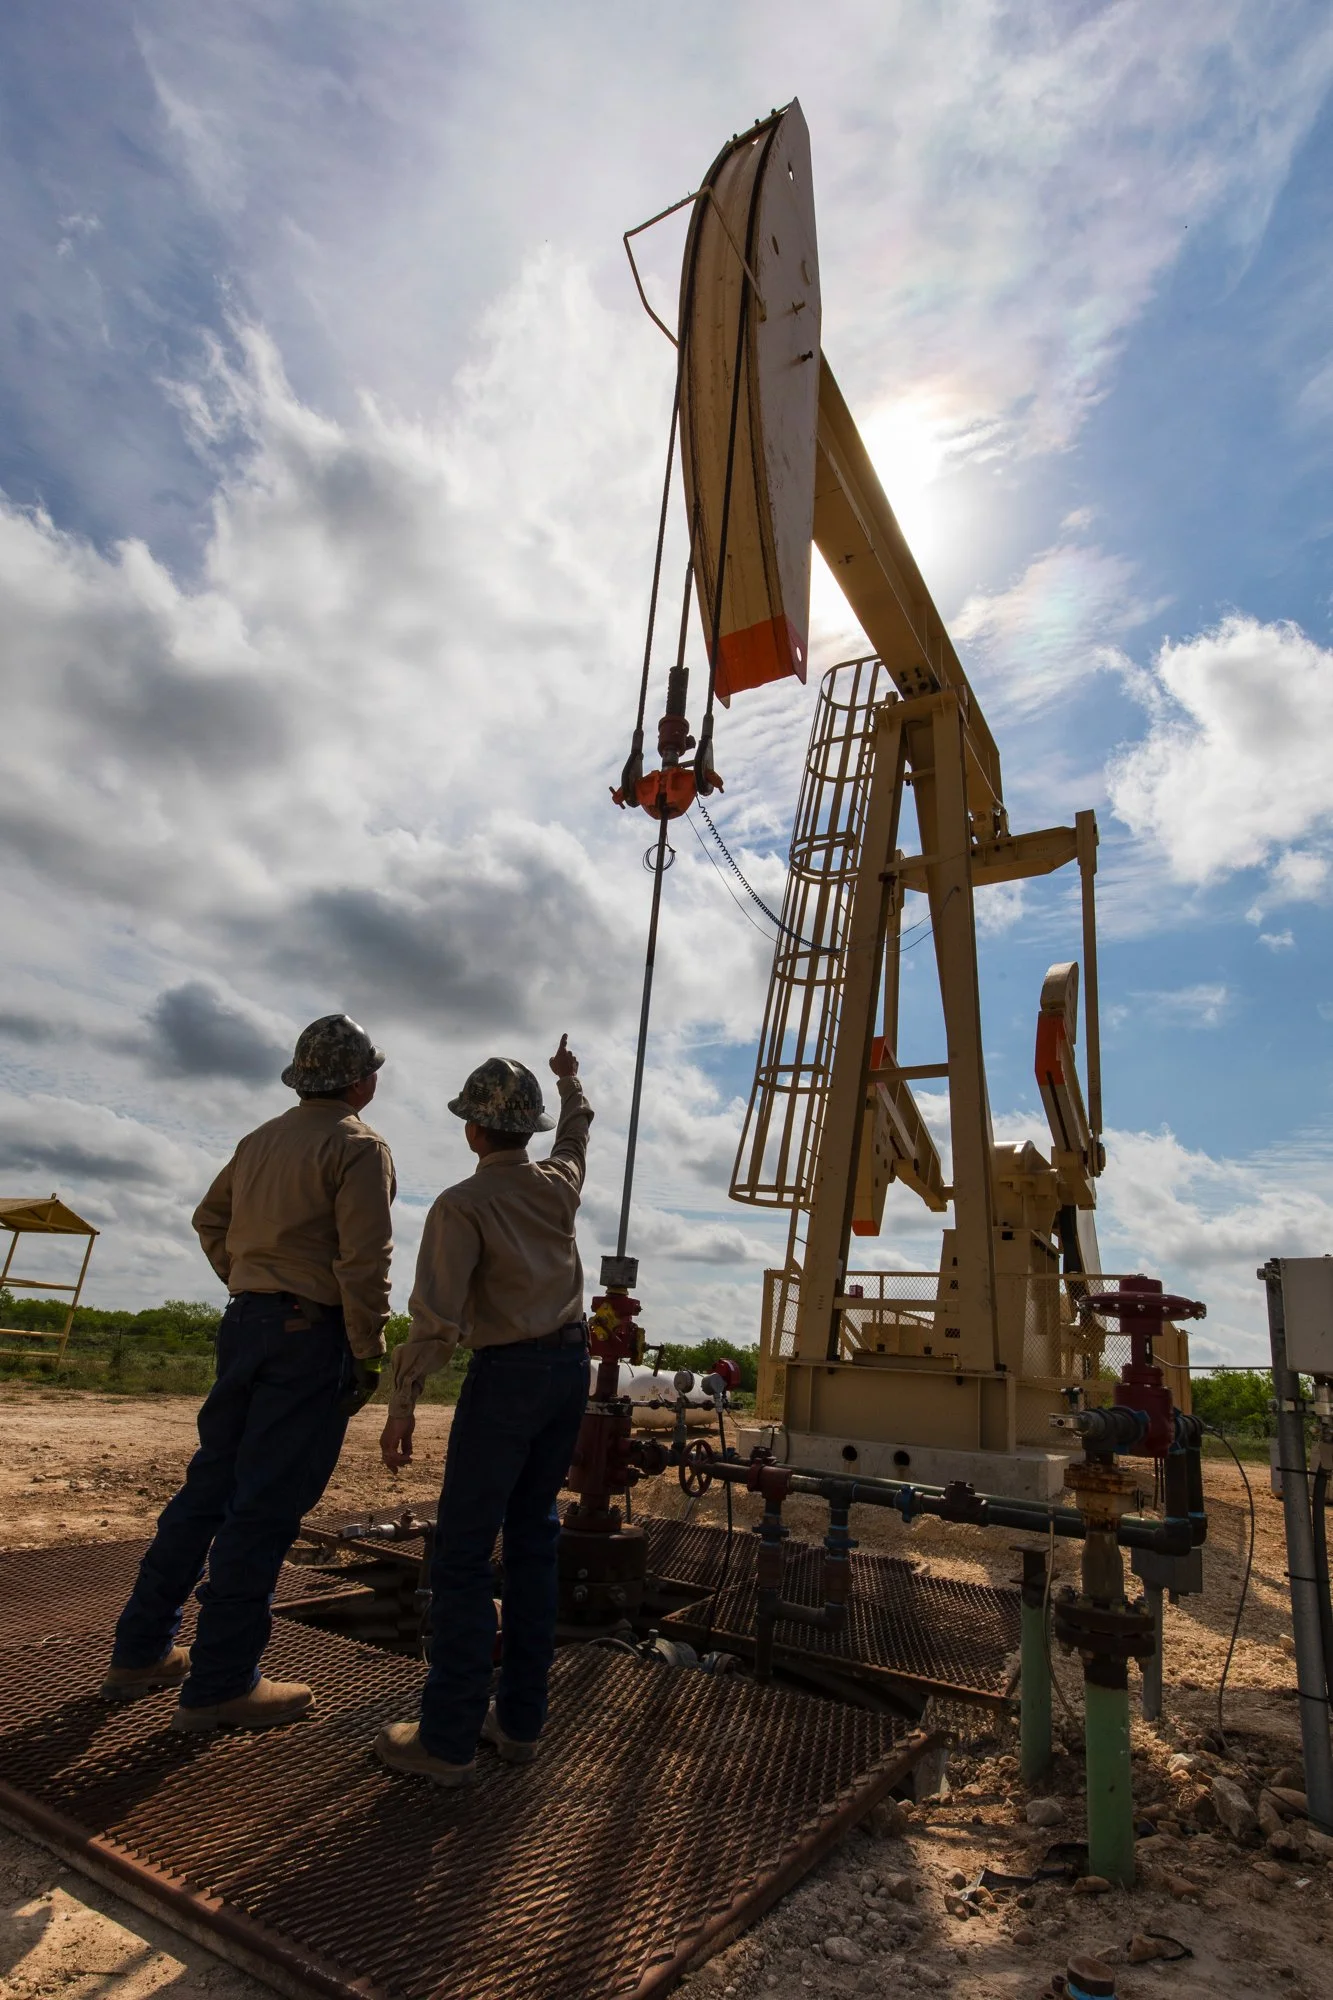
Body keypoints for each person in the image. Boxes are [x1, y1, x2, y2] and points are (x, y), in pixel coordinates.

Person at [101, 1013, 395, 1732]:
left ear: (302, 1078)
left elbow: (210, 1219)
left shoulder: (260, 1139)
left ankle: (141, 1650)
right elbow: (364, 1261)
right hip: (309, 1334)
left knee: (208, 1489)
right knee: (263, 1508)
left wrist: (249, 1279)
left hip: (246, 1322)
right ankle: (222, 1683)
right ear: (362, 1080)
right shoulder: (358, 1147)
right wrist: (367, 1349)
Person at [374, 1034, 591, 1787]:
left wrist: (402, 1402)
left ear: (472, 1128)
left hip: (507, 1379)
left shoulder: (461, 1204)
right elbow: (577, 1129)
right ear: (523, 1128)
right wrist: (568, 1080)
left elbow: (436, 1319)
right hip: (570, 1370)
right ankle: (519, 1723)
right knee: (533, 1540)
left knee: (464, 1555)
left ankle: (447, 1737)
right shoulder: (558, 1184)